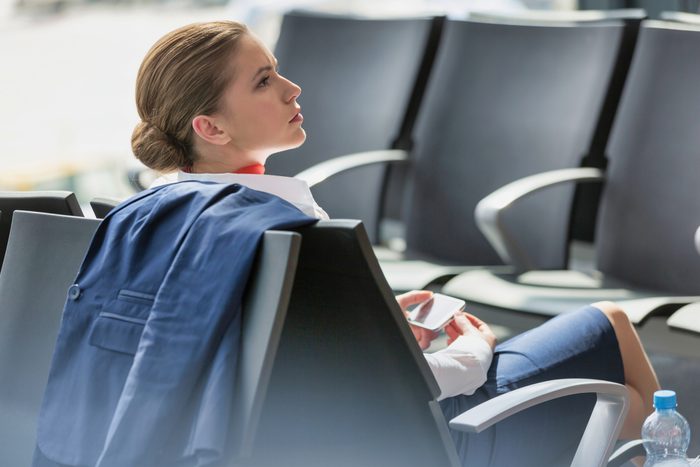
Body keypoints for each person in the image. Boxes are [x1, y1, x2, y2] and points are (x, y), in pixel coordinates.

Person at [132, 20, 660, 465]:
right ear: (211, 128)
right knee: (612, 328)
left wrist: (376, 321)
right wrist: (476, 349)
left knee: (627, 407)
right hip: (414, 439)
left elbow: (285, 352)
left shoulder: (158, 216)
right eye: (264, 81)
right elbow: (394, 385)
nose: (292, 89)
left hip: (297, 439)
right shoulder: (282, 228)